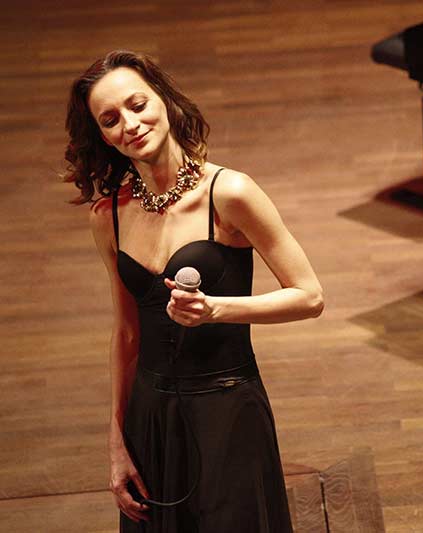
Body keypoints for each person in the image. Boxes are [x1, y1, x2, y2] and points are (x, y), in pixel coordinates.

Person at [63, 50, 323, 531]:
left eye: (138, 104)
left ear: (163, 99)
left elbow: (309, 296)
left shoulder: (230, 193)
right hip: (150, 417)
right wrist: (117, 440)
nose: (131, 124)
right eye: (111, 119)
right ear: (102, 136)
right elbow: (127, 335)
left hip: (228, 408)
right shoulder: (108, 217)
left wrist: (215, 310)